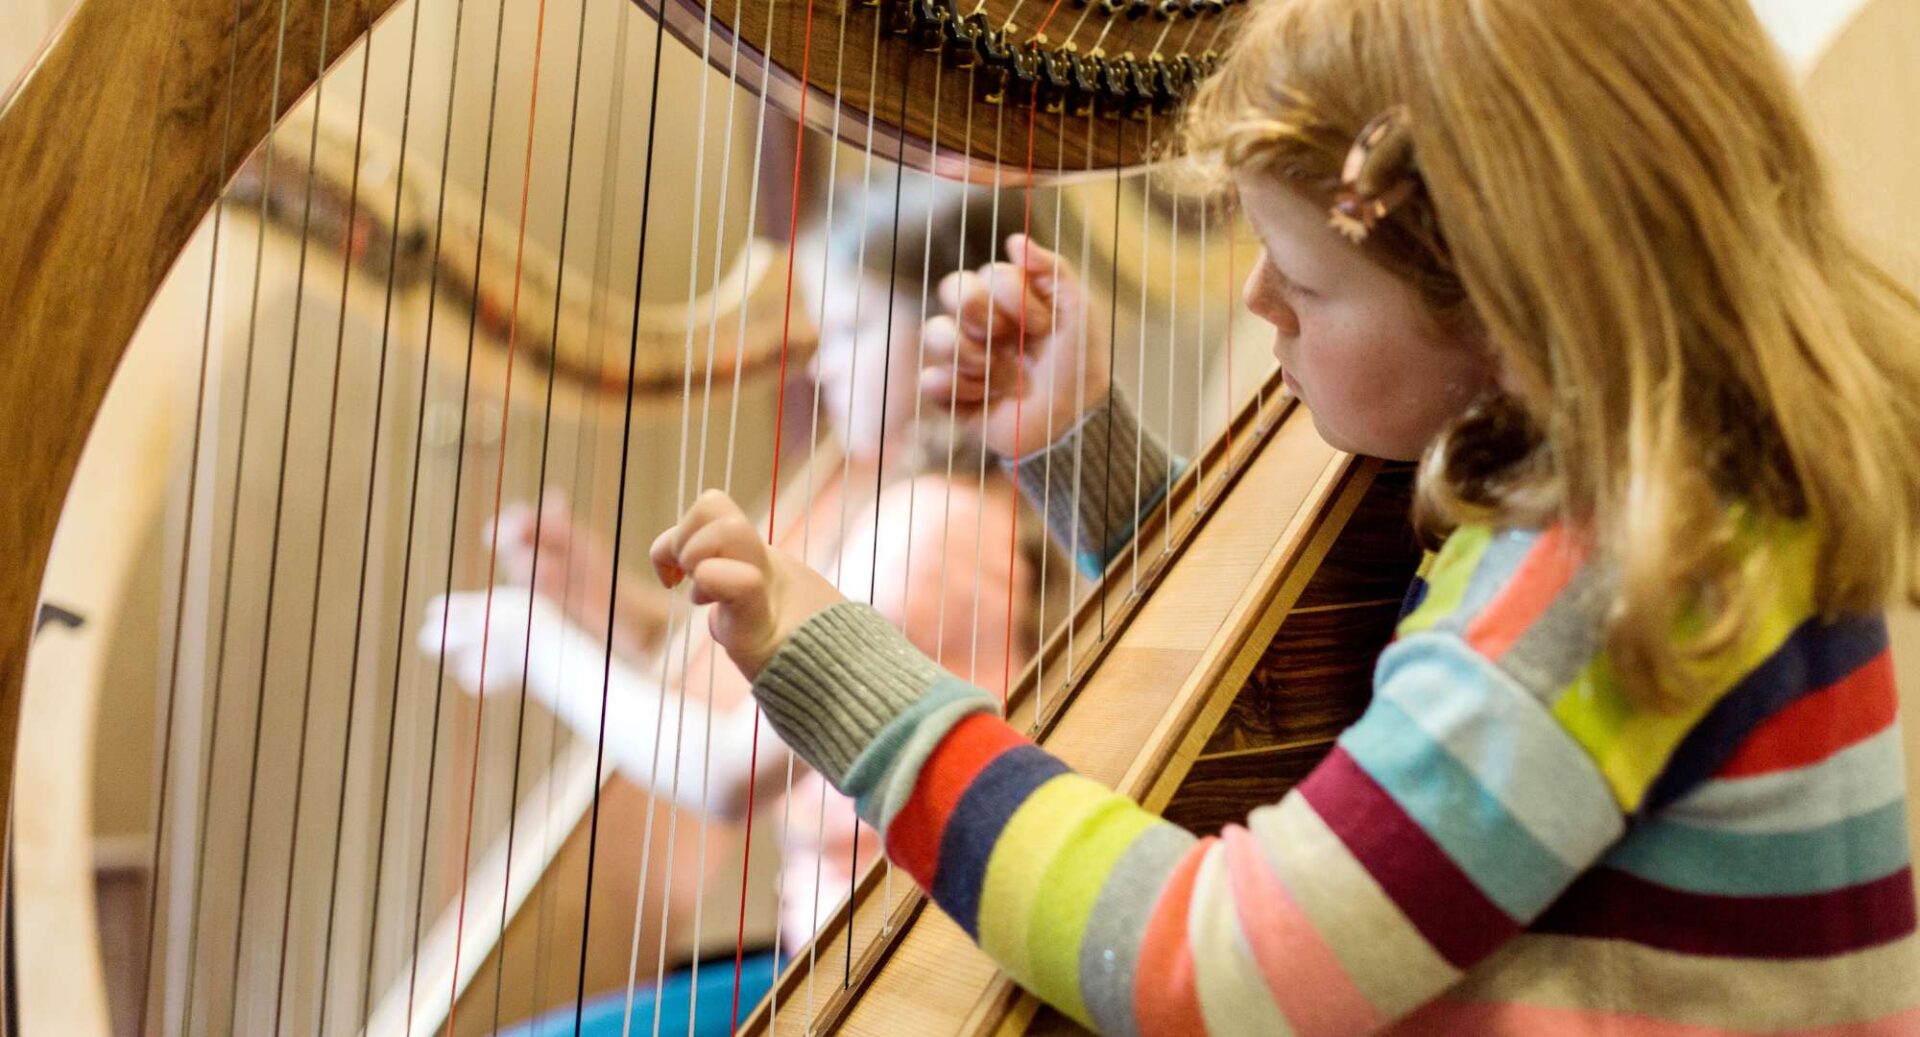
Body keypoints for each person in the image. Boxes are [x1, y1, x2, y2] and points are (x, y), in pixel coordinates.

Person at [648, 0, 1920, 1032]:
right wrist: (1080, 445)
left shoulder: (1593, 581)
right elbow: (1350, 721)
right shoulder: (1664, 484)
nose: (1260, 298)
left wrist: (849, 682)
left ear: (1515, 305)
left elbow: (1211, 966)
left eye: (1305, 274)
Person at [426, 175, 1069, 1035]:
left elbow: (725, 772)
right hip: (837, 940)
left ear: (950, 331)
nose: (819, 359)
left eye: (846, 329)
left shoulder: (929, 527)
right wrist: (598, 601)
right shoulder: (923, 505)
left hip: (883, 973)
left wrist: (536, 644)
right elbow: (781, 682)